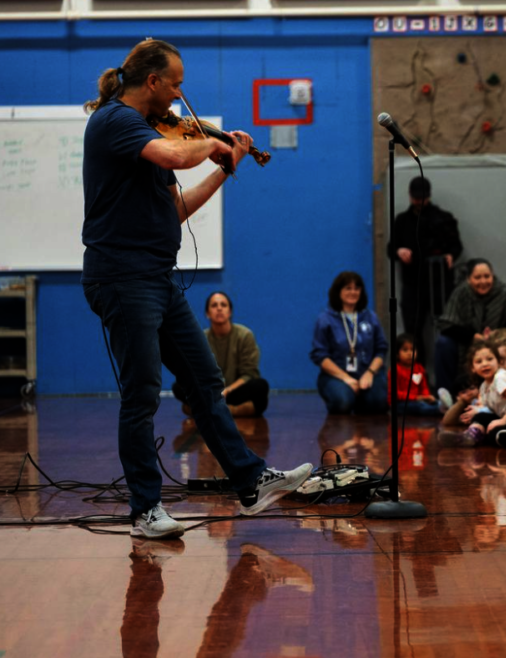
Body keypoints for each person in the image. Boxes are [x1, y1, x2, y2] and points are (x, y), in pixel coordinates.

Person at [81, 39, 310, 538]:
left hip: (156, 277)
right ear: (154, 82)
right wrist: (210, 141)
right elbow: (175, 154)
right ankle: (146, 510)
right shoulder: (116, 122)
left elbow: (177, 210)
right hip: (120, 276)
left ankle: (250, 482)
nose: (182, 94)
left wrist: (226, 168)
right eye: (177, 83)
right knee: (141, 393)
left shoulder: (151, 135)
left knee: (204, 382)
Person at [388, 176, 462, 353]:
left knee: (447, 327)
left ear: (429, 196)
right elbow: (391, 248)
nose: (419, 202)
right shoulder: (402, 221)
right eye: (416, 198)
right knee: (412, 331)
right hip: (413, 284)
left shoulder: (444, 218)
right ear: (410, 196)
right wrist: (399, 252)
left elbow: (456, 245)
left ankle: (448, 375)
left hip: (440, 282)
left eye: (422, 198)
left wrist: (452, 254)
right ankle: (417, 375)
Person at [171, 291, 269, 418]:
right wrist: (215, 391)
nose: (219, 308)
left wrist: (227, 390)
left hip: (235, 391)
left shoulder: (245, 335)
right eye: (214, 305)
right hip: (211, 393)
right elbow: (196, 373)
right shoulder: (200, 339)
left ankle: (206, 410)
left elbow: (249, 374)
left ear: (230, 312)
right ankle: (231, 410)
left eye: (223, 305)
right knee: (178, 387)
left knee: (261, 386)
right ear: (207, 313)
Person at [434, 259, 506, 393]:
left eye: (487, 276)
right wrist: (472, 337)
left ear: (493, 276)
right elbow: (445, 324)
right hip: (465, 343)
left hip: (497, 343)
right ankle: (444, 394)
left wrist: (498, 335)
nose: (483, 281)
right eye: (477, 277)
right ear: (468, 279)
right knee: (443, 343)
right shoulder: (460, 292)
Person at [311, 271, 388, 415]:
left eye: (356, 288)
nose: (353, 292)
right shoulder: (325, 319)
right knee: (343, 403)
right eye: (348, 288)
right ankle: (345, 394)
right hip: (337, 375)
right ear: (338, 291)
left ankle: (362, 398)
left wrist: (370, 373)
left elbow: (381, 350)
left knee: (378, 404)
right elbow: (320, 356)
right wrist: (347, 379)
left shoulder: (370, 317)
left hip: (367, 372)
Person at [438, 340, 506, 446]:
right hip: (505, 418)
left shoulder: (500, 378)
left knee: (493, 434)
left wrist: (505, 420)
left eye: (490, 359)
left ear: (499, 362)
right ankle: (470, 436)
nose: (485, 364)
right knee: (481, 417)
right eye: (479, 361)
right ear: (473, 368)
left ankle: (476, 436)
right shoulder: (483, 386)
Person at [389, 333, 443, 417]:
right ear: (397, 354)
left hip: (418, 400)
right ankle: (439, 410)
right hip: (400, 403)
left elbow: (424, 387)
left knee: (435, 401)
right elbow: (395, 393)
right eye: (405, 350)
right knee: (420, 407)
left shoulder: (419, 368)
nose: (410, 353)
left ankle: (443, 407)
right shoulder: (395, 370)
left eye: (412, 350)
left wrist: (427, 397)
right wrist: (416, 398)